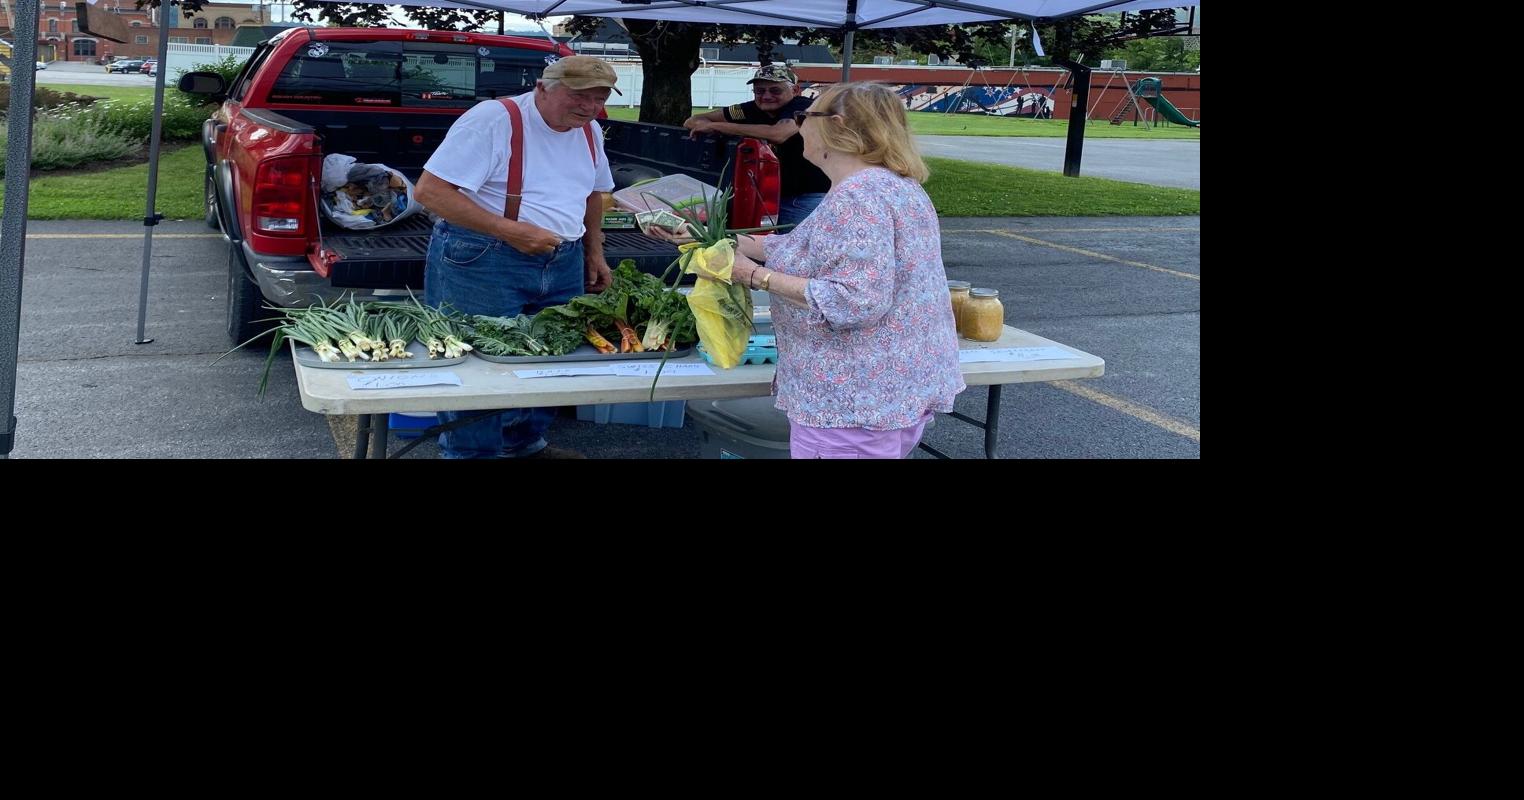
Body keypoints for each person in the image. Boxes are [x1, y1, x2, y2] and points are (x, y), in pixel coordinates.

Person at [729, 81, 965, 458]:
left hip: (851, 402)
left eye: (805, 116)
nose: (800, 126)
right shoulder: (895, 185)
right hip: (890, 391)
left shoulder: (857, 198)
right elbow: (810, 250)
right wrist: (727, 242)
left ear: (835, 126)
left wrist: (753, 276)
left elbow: (854, 300)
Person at [412, 56, 619, 459]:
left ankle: (522, 443)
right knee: (475, 365)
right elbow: (429, 192)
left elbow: (594, 193)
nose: (589, 107)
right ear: (543, 87)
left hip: (562, 259)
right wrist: (511, 231)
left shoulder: (590, 130)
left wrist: (594, 252)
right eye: (579, 96)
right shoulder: (495, 120)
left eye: (599, 98)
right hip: (484, 257)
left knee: (555, 357)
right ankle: (470, 454)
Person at [683, 64, 831, 228]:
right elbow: (693, 121)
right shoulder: (748, 109)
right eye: (759, 91)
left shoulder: (804, 107)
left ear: (795, 90)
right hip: (767, 197)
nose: (766, 96)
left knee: (801, 249)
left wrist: (717, 127)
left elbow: (778, 134)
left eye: (775, 90)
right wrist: (710, 125)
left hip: (808, 198)